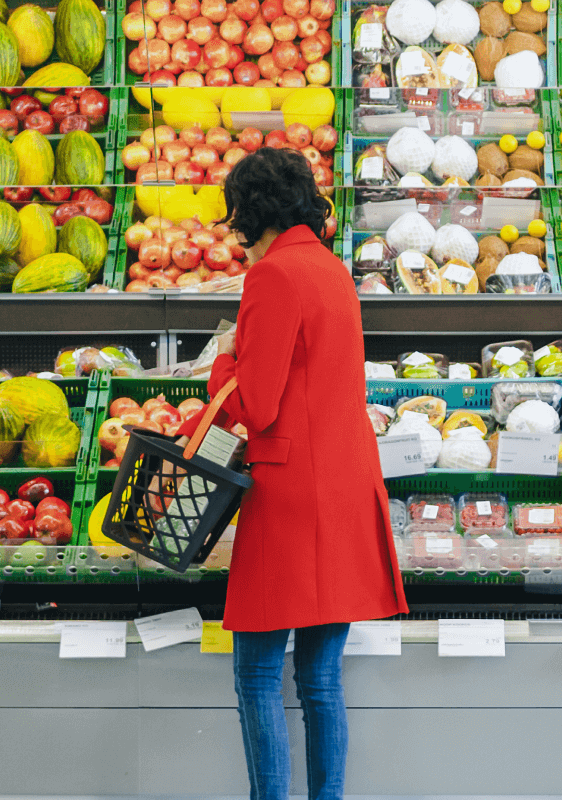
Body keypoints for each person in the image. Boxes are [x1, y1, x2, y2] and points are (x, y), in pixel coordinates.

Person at [201, 146, 407, 800]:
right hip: (346, 488)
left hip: (289, 497)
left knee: (258, 676)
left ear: (249, 211)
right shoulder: (330, 268)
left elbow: (256, 408)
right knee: (320, 680)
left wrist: (223, 360)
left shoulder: (272, 276)